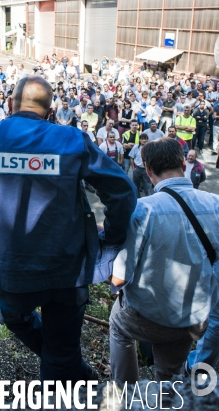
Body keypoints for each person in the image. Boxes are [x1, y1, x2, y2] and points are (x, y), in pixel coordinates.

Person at [0, 75, 137, 385]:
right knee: (61, 351)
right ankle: (69, 366)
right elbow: (123, 191)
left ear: (8, 105)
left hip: (8, 268)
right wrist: (110, 239)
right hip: (67, 270)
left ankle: (69, 366)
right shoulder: (72, 140)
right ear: (50, 113)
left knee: (12, 316)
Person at [110, 137, 219, 383]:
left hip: (146, 318)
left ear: (147, 170)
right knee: (170, 374)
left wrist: (116, 288)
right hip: (193, 319)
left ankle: (125, 390)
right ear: (183, 162)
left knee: (118, 324)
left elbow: (121, 273)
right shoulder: (215, 205)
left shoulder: (142, 209)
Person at [129, 132, 152, 197]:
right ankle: (137, 199)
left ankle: (148, 199)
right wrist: (133, 168)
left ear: (147, 140)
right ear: (139, 140)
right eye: (142, 139)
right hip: (137, 168)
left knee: (148, 186)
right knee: (136, 186)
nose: (144, 140)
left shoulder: (150, 147)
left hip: (146, 169)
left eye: (145, 139)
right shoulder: (136, 147)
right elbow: (131, 158)